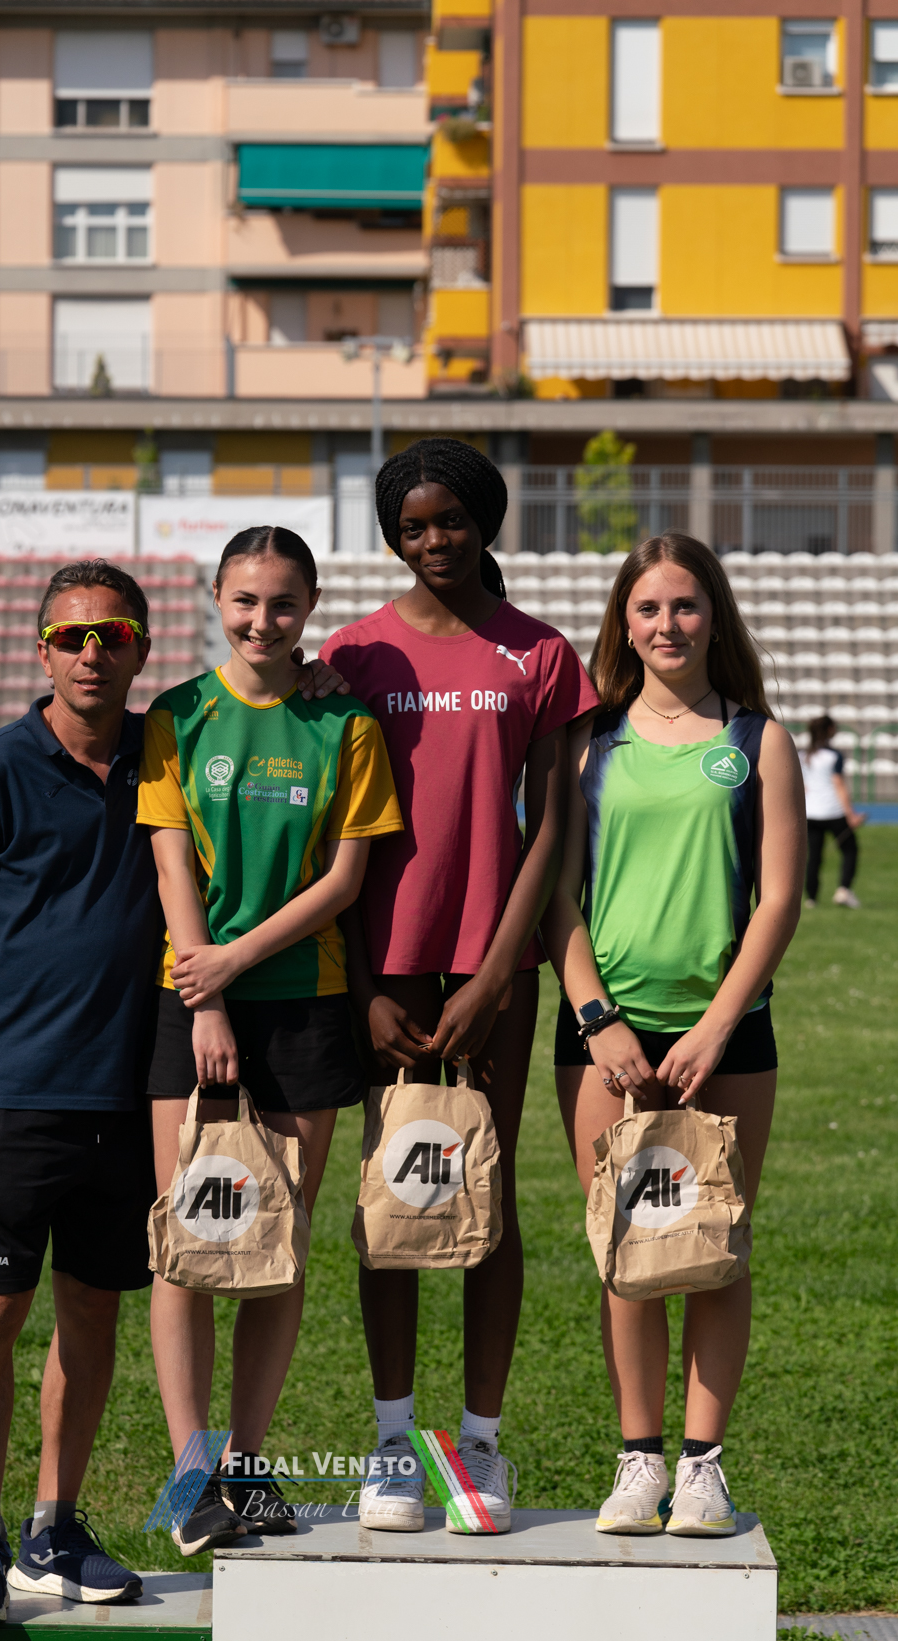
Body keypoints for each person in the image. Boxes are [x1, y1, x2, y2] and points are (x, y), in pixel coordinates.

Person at [320, 439, 598, 1535]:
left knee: (488, 1191)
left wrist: (494, 974)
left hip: (498, 965)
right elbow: (334, 834)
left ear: (486, 520)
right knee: (392, 1188)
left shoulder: (541, 653)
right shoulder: (352, 654)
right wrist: (362, 988)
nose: (433, 540)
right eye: (412, 526)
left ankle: (479, 1445)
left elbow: (552, 826)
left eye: (450, 520)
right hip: (383, 964)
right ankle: (393, 1440)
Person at [138, 525, 403, 1556]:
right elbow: (172, 866)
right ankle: (191, 1473)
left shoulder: (345, 723)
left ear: (310, 607)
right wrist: (204, 994)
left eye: (283, 603)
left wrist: (234, 964)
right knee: (187, 1240)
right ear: (217, 600)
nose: (262, 620)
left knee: (272, 1246)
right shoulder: (178, 716)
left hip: (303, 1002)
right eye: (245, 601)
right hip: (192, 998)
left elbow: (343, 882)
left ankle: (246, 1465)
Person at [0, 559, 161, 1623]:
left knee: (93, 1308)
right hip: (14, 1089)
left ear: (141, 648)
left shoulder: (167, 754)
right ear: (41, 650)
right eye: (71, 636)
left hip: (132, 1092)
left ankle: (55, 1526)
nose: (91, 652)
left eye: (112, 634)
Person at [541, 531, 805, 1539]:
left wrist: (716, 1026)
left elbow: (778, 900)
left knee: (716, 1248)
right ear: (624, 620)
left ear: (714, 616)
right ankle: (638, 1459)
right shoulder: (588, 743)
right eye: (648, 608)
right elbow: (555, 897)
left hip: (726, 1034)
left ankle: (702, 1467)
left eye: (685, 605)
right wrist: (596, 1019)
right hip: (607, 1039)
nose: (667, 625)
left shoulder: (757, 740)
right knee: (627, 1247)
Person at [801, 714, 865, 909]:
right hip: (833, 812)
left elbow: (804, 787)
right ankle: (844, 890)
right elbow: (838, 785)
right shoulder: (833, 755)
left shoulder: (804, 755)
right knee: (850, 850)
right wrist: (851, 814)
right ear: (830, 730)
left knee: (814, 856)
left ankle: (811, 899)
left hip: (811, 813)